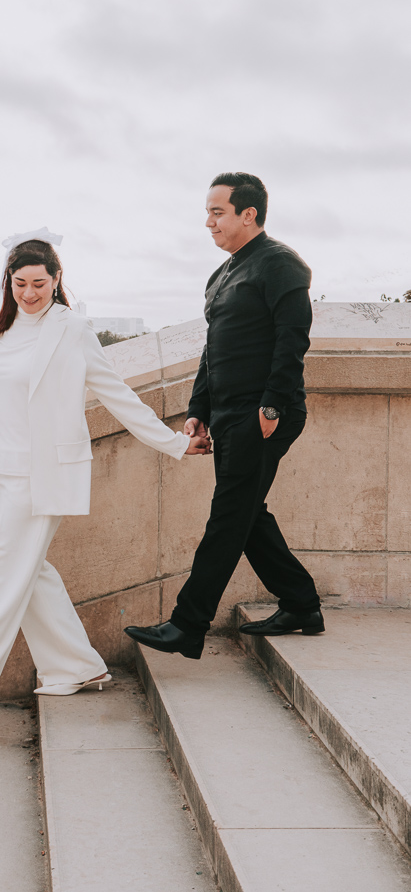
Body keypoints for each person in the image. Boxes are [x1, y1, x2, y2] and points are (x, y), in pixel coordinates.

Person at [0, 229, 211, 747]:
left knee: (0, 580)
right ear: (7, 283)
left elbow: (116, 394)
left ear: (57, 281)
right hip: (0, 474)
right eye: (20, 284)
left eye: (39, 283)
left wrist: (170, 443)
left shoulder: (72, 330)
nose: (29, 294)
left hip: (42, 477)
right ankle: (75, 667)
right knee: (30, 575)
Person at [125, 172, 323, 661]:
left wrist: (272, 406)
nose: (208, 222)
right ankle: (301, 604)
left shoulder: (281, 264)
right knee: (246, 514)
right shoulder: (223, 274)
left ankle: (187, 625)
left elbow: (293, 338)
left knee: (228, 517)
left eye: (217, 212)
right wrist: (199, 409)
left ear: (248, 214)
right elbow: (212, 352)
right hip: (230, 414)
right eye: (209, 212)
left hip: (262, 414)